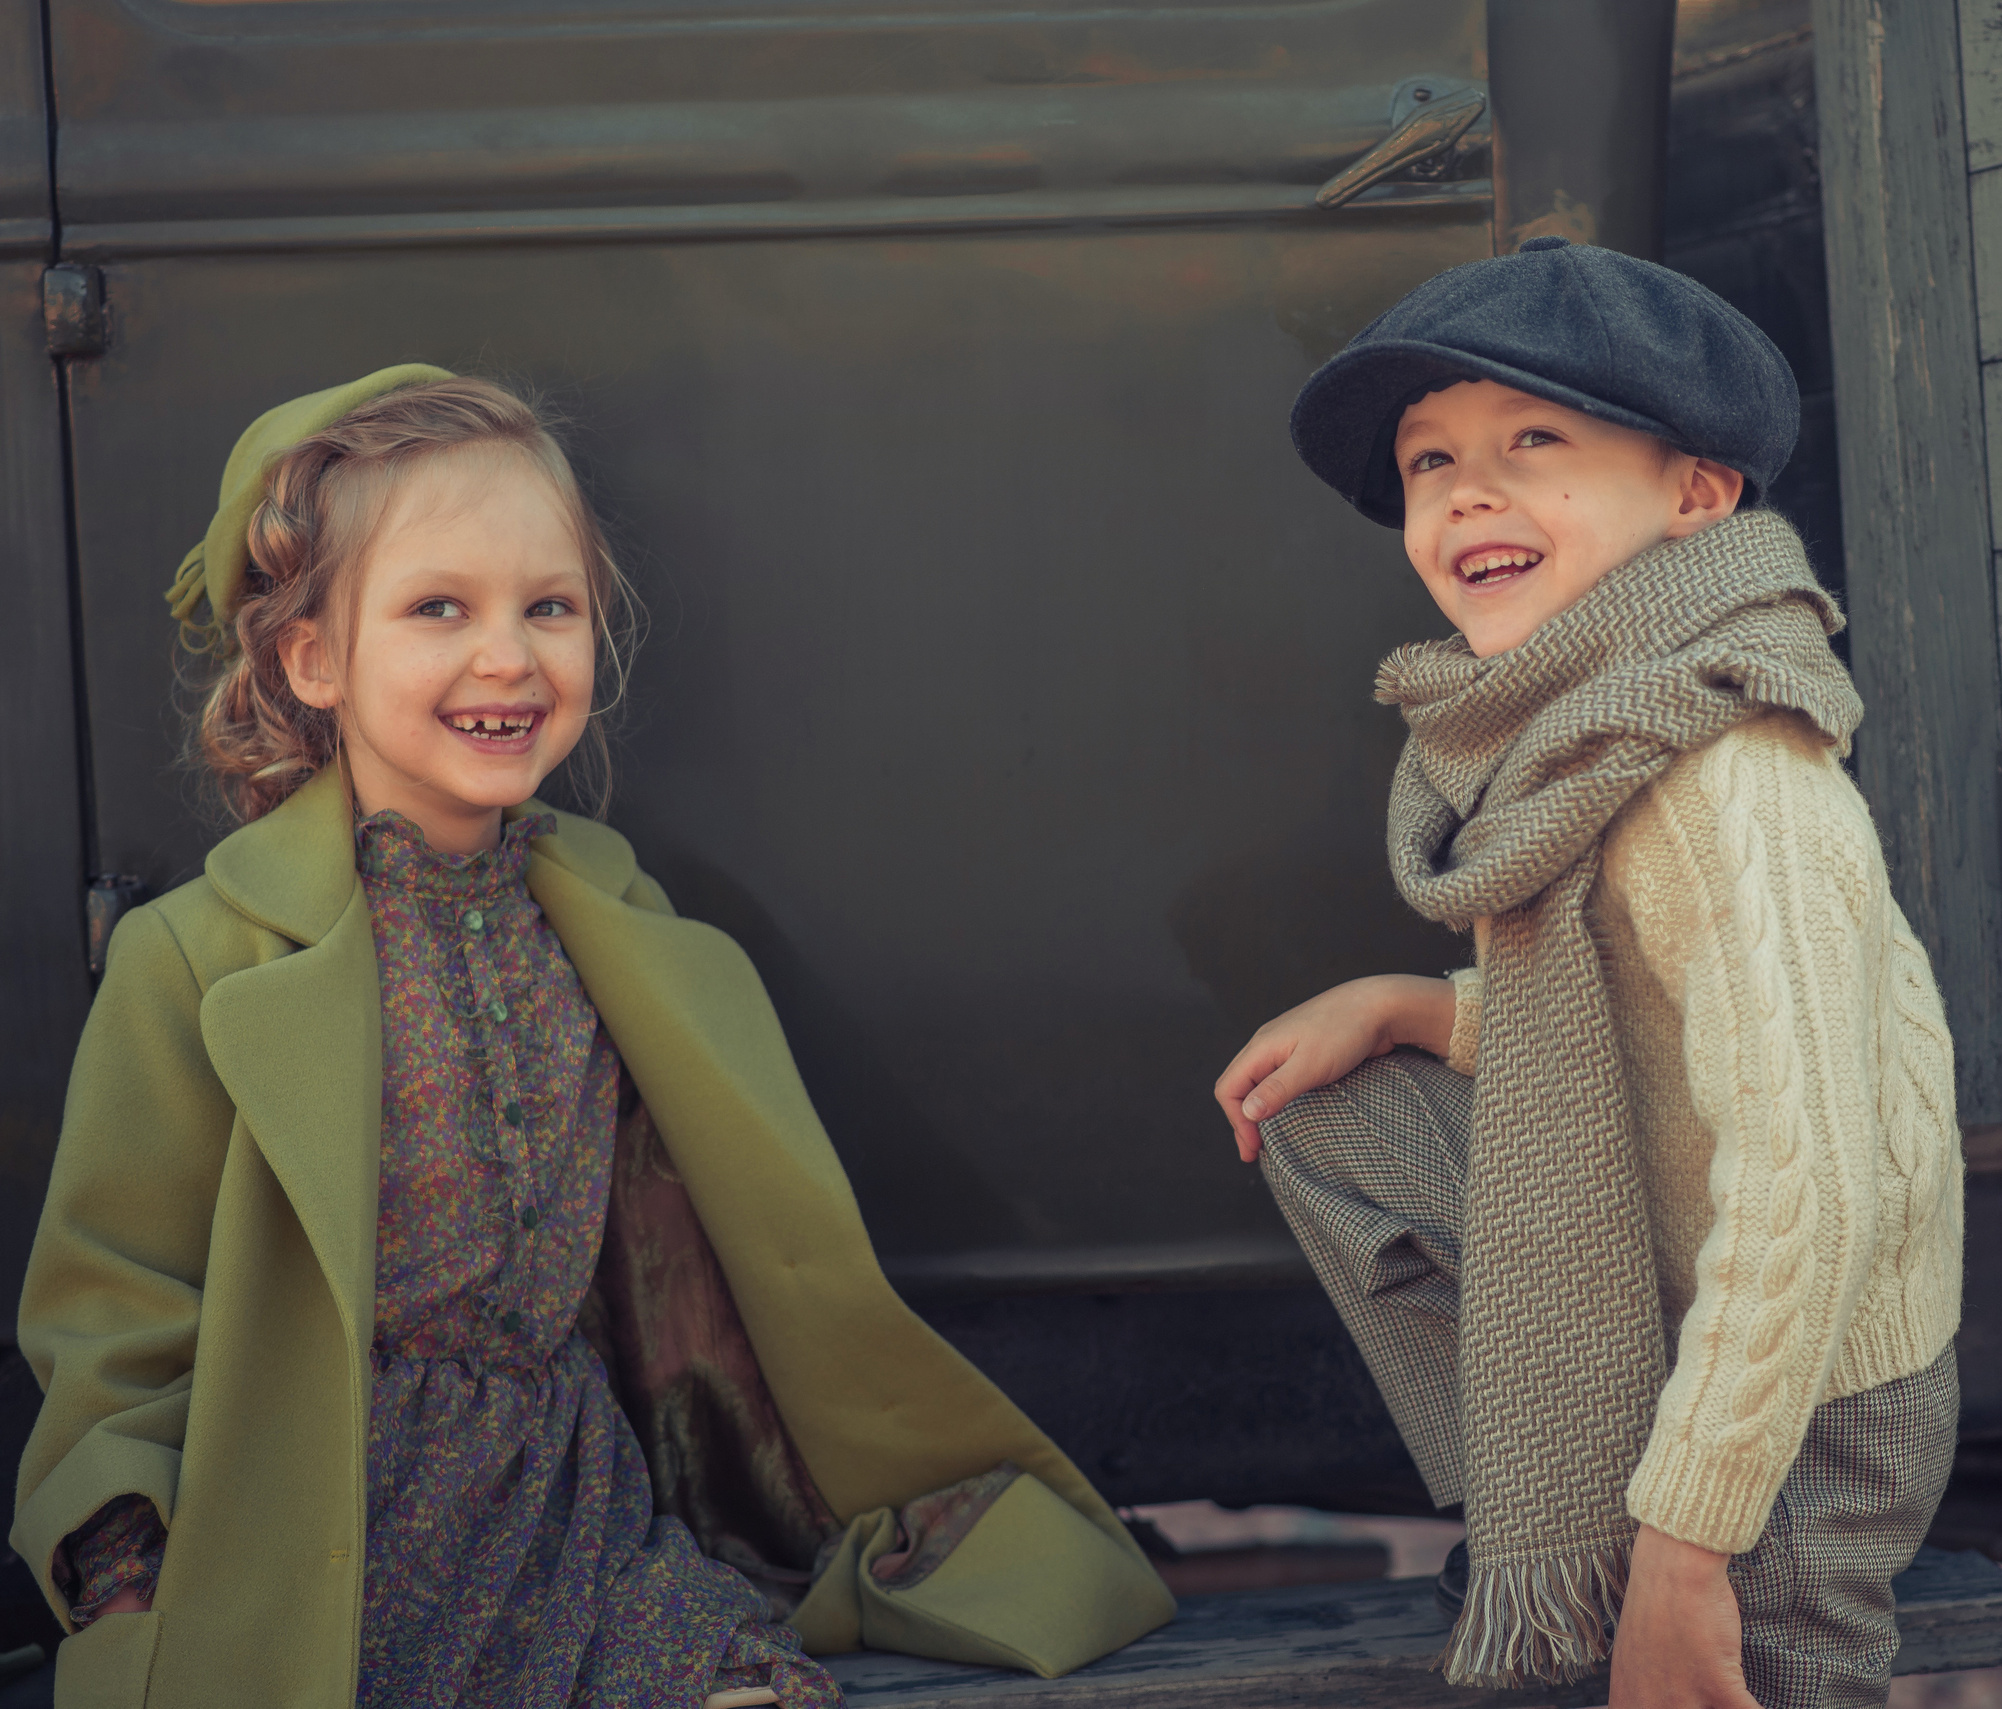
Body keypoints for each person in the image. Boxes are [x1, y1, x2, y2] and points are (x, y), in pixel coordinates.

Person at [13, 367, 1171, 1709]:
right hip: (318, 1533)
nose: (509, 655)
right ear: (310, 656)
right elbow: (117, 1312)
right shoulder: (200, 959)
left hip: (573, 1512)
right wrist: (129, 1579)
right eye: (440, 607)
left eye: (549, 607)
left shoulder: (613, 924)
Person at [1214, 238, 1965, 1709]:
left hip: (1808, 1392)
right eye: (1431, 460)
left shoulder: (1730, 777)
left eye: (1533, 443)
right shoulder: (1585, 729)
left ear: (1696, 494)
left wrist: (1687, 1559)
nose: (1465, 492)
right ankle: (1558, 1499)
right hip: (1672, 1280)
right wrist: (1415, 1009)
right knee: (1338, 1114)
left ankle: (1646, 1546)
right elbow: (1642, 1031)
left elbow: (1809, 1199)